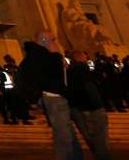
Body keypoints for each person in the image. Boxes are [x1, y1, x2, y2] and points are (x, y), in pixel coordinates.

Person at [18, 32, 82, 160]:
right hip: (54, 98)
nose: (55, 43)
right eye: (53, 40)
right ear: (43, 40)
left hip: (57, 97)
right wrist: (57, 56)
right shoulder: (40, 56)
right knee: (63, 136)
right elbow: (31, 79)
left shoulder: (38, 55)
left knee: (68, 134)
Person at [67, 51, 111, 160]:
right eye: (86, 58)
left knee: (90, 138)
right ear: (81, 58)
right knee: (100, 139)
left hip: (77, 108)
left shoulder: (67, 72)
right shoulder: (82, 67)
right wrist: (99, 104)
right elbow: (89, 86)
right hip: (92, 107)